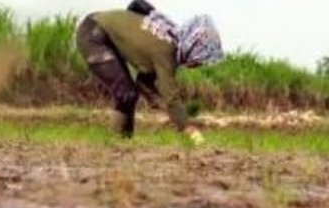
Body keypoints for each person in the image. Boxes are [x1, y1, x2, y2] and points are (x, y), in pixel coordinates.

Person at [76, 3, 224, 143]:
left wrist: (158, 103)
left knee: (129, 94)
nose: (198, 65)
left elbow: (143, 81)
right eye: (200, 59)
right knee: (126, 93)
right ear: (193, 48)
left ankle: (123, 142)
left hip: (98, 27)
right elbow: (171, 97)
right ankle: (116, 143)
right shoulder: (167, 52)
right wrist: (190, 130)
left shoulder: (171, 40)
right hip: (93, 34)